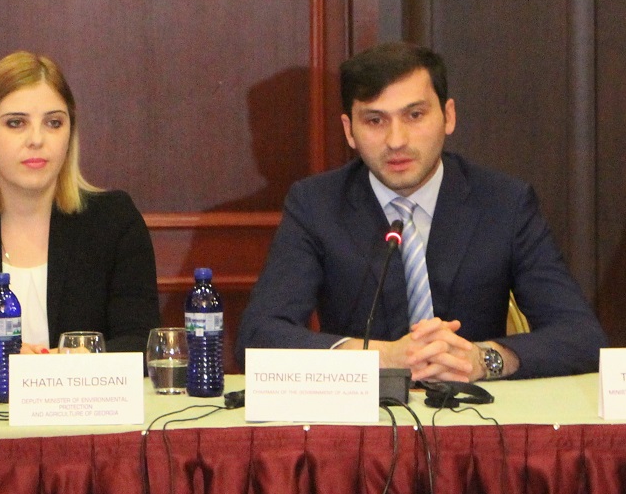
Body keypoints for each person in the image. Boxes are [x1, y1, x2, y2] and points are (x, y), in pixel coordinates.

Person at [239, 42, 605, 382]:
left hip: (477, 415)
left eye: (414, 115)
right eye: (375, 120)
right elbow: (258, 337)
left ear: (448, 116)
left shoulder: (504, 203)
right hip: (365, 420)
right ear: (349, 131)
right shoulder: (316, 205)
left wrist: (482, 359)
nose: (396, 141)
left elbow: (581, 337)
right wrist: (380, 358)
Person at [0, 52, 160, 384]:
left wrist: (72, 362)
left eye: (53, 123)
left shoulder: (113, 221)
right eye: (16, 123)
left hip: (85, 407)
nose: (37, 140)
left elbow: (142, 341)